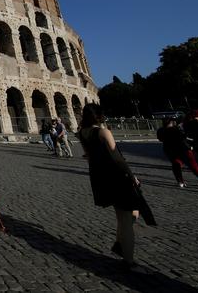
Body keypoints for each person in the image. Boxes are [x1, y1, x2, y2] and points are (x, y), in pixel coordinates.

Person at [78, 103, 146, 271]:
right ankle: (129, 261)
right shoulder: (103, 132)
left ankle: (119, 243)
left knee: (127, 214)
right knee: (127, 218)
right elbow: (117, 158)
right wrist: (132, 176)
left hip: (99, 176)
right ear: (99, 116)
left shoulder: (82, 133)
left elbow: (88, 156)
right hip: (116, 176)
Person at [157, 117, 198, 187]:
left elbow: (160, 139)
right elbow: (183, 138)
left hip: (170, 150)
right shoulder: (176, 129)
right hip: (183, 150)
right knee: (195, 167)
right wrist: (191, 146)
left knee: (176, 165)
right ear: (171, 122)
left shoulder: (160, 130)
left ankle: (180, 181)